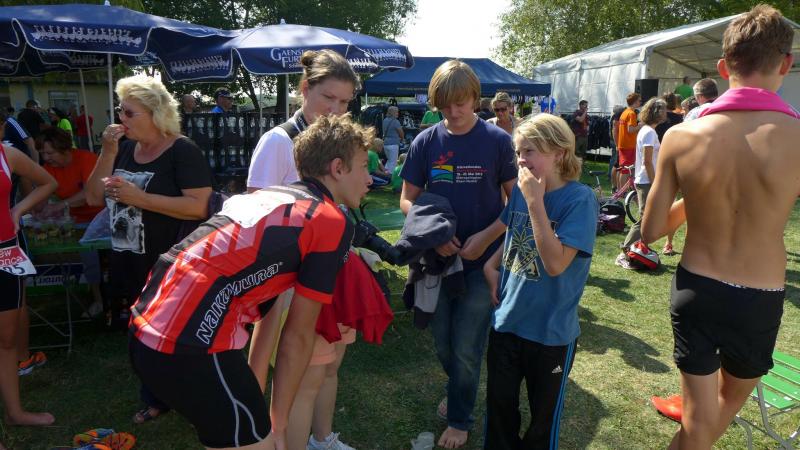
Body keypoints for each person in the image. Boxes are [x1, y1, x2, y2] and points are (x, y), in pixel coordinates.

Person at [129, 114, 372, 450]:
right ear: (338, 168)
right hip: (189, 342)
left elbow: (268, 315)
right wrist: (279, 427)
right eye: (364, 166)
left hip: (146, 324)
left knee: (245, 435)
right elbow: (298, 336)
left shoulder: (277, 197)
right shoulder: (329, 220)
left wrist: (270, 418)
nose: (370, 178)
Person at [641, 5, 798, 449]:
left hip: (697, 289)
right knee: (716, 413)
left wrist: (697, 197)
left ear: (724, 67)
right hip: (759, 296)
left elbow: (650, 231)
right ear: (785, 64)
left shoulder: (681, 137)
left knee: (698, 423)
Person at [247, 49, 362, 450]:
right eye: (328, 97)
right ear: (304, 89)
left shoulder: (339, 141)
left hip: (327, 271)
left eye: (345, 102)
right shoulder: (278, 141)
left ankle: (323, 438)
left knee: (329, 366)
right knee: (300, 377)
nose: (336, 110)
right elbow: (255, 220)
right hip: (287, 282)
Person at [399, 59, 517, 449]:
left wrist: (485, 237)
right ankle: (459, 387)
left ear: (475, 97)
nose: (452, 111)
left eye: (460, 103)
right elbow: (406, 200)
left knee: (467, 345)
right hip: (438, 262)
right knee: (443, 343)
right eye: (444, 105)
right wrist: (434, 236)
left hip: (483, 263)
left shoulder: (497, 140)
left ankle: (460, 419)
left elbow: (516, 202)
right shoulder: (426, 141)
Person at [85, 74, 213, 425]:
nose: (121, 118)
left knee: (177, 334)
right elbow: (93, 196)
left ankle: (188, 395)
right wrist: (108, 151)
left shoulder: (182, 151)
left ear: (156, 114)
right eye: (120, 111)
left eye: (129, 112)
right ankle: (155, 396)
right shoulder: (125, 148)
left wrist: (140, 198)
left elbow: (200, 206)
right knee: (142, 335)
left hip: (171, 263)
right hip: (129, 258)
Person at [483, 114, 597, 450]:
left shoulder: (579, 200)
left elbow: (555, 263)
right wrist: (491, 265)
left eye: (530, 151)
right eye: (518, 152)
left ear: (559, 153)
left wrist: (535, 201)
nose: (521, 160)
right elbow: (514, 232)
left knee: (541, 424)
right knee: (499, 410)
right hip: (507, 323)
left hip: (550, 334)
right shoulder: (524, 189)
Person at [0, 115, 58, 436]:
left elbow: (48, 182)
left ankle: (15, 412)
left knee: (7, 340)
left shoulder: (7, 154)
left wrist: (18, 210)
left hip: (6, 253)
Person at [37, 127, 105, 317]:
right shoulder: (48, 169)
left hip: (103, 216)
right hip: (78, 221)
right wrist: (35, 209)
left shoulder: (86, 159)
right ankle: (97, 299)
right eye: (42, 153)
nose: (46, 157)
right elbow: (41, 195)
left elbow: (91, 194)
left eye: (50, 152)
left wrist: (60, 206)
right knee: (88, 259)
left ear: (65, 149)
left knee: (103, 256)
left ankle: (110, 299)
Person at [614, 98, 667, 269]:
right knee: (644, 218)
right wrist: (655, 182)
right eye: (663, 110)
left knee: (647, 218)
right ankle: (623, 253)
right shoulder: (649, 132)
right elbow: (647, 161)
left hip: (644, 179)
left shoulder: (647, 130)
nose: (666, 113)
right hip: (646, 180)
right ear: (656, 113)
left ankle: (638, 250)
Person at [655, 93, 683, 255]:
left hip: (660, 161)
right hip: (678, 161)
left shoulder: (658, 120)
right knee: (678, 203)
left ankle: (661, 241)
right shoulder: (680, 119)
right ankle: (668, 242)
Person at [616, 93, 642, 190]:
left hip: (623, 144)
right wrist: (641, 125)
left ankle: (620, 191)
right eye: (639, 100)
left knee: (623, 169)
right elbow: (630, 130)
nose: (640, 102)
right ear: (634, 101)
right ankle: (623, 192)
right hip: (629, 145)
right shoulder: (631, 113)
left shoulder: (624, 112)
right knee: (626, 170)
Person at [382, 105, 404, 172]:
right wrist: (402, 139)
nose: (398, 113)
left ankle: (385, 173)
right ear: (392, 113)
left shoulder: (385, 120)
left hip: (385, 143)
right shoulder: (395, 121)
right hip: (393, 144)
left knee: (389, 161)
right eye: (396, 112)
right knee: (393, 162)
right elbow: (401, 133)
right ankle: (390, 175)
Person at [609, 105, 625, 190]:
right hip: (617, 144)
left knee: (617, 165)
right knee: (616, 164)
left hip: (618, 144)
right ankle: (614, 186)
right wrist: (617, 145)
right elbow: (614, 132)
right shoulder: (616, 119)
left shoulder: (615, 118)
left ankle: (616, 186)